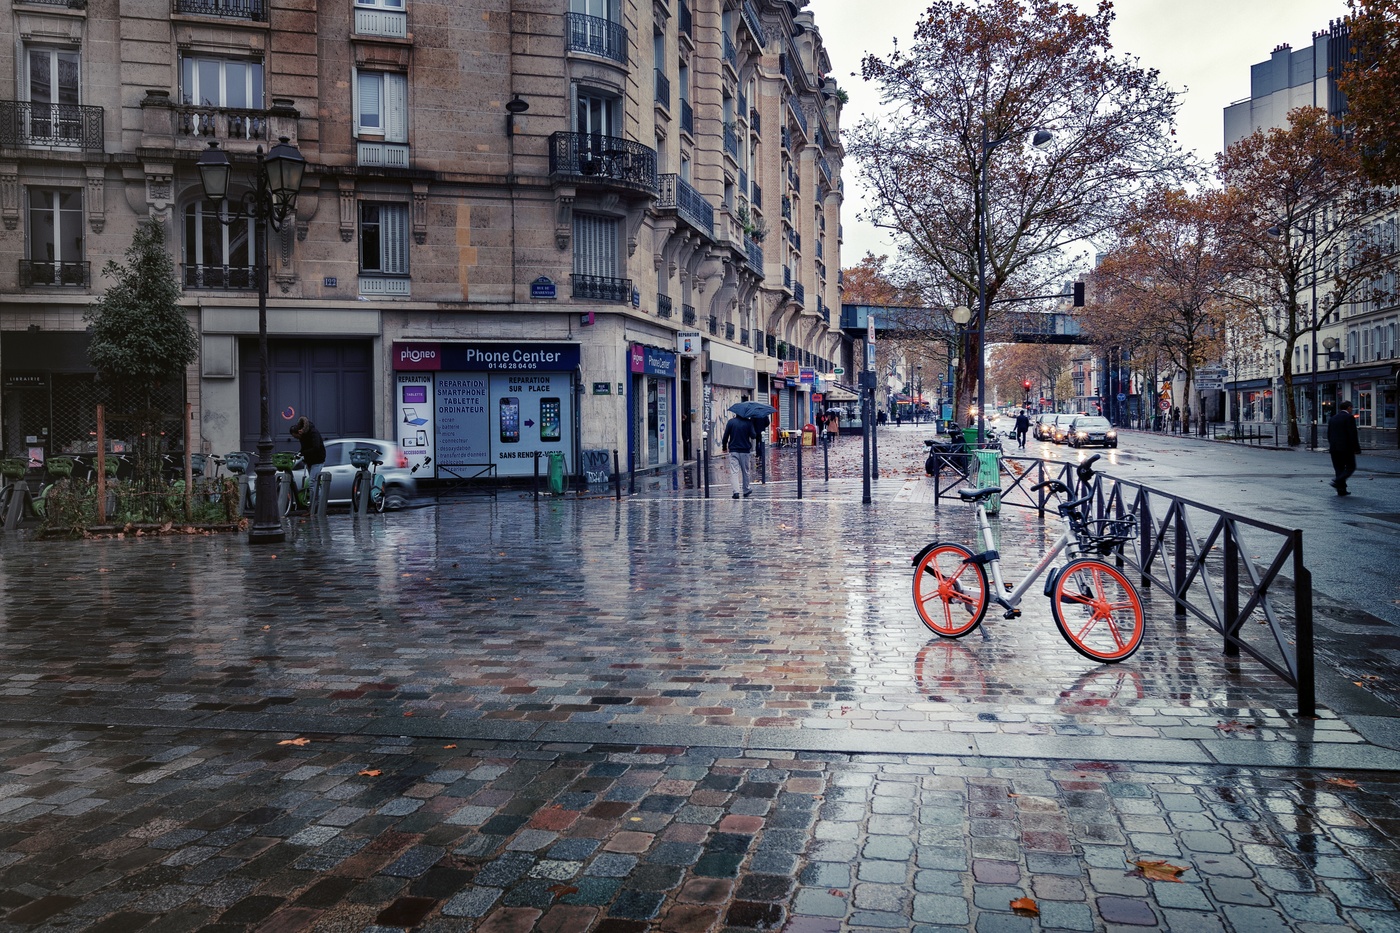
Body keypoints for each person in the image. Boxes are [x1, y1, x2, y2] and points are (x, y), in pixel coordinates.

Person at [1326, 400, 1360, 496]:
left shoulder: (1333, 418)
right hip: (1346, 448)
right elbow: (1352, 434)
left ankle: (1341, 490)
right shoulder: (1349, 418)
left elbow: (1329, 434)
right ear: (1348, 408)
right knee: (1351, 467)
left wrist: (1332, 444)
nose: (1352, 410)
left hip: (1334, 448)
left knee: (1339, 468)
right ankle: (1337, 481)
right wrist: (1356, 448)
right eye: (1351, 408)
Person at [720, 411, 757, 499]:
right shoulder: (748, 422)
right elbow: (753, 436)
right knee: (745, 471)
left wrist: (724, 447)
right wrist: (752, 425)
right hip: (745, 451)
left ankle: (736, 492)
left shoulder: (731, 422)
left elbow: (725, 436)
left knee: (734, 472)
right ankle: (746, 489)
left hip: (733, 450)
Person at [289, 416, 326, 501]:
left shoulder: (313, 432)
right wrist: (299, 454)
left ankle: (317, 507)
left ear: (299, 431)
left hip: (318, 460)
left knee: (312, 483)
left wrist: (303, 453)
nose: (296, 438)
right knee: (314, 483)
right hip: (310, 461)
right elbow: (304, 448)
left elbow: (316, 447)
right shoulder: (303, 435)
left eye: (296, 436)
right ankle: (314, 507)